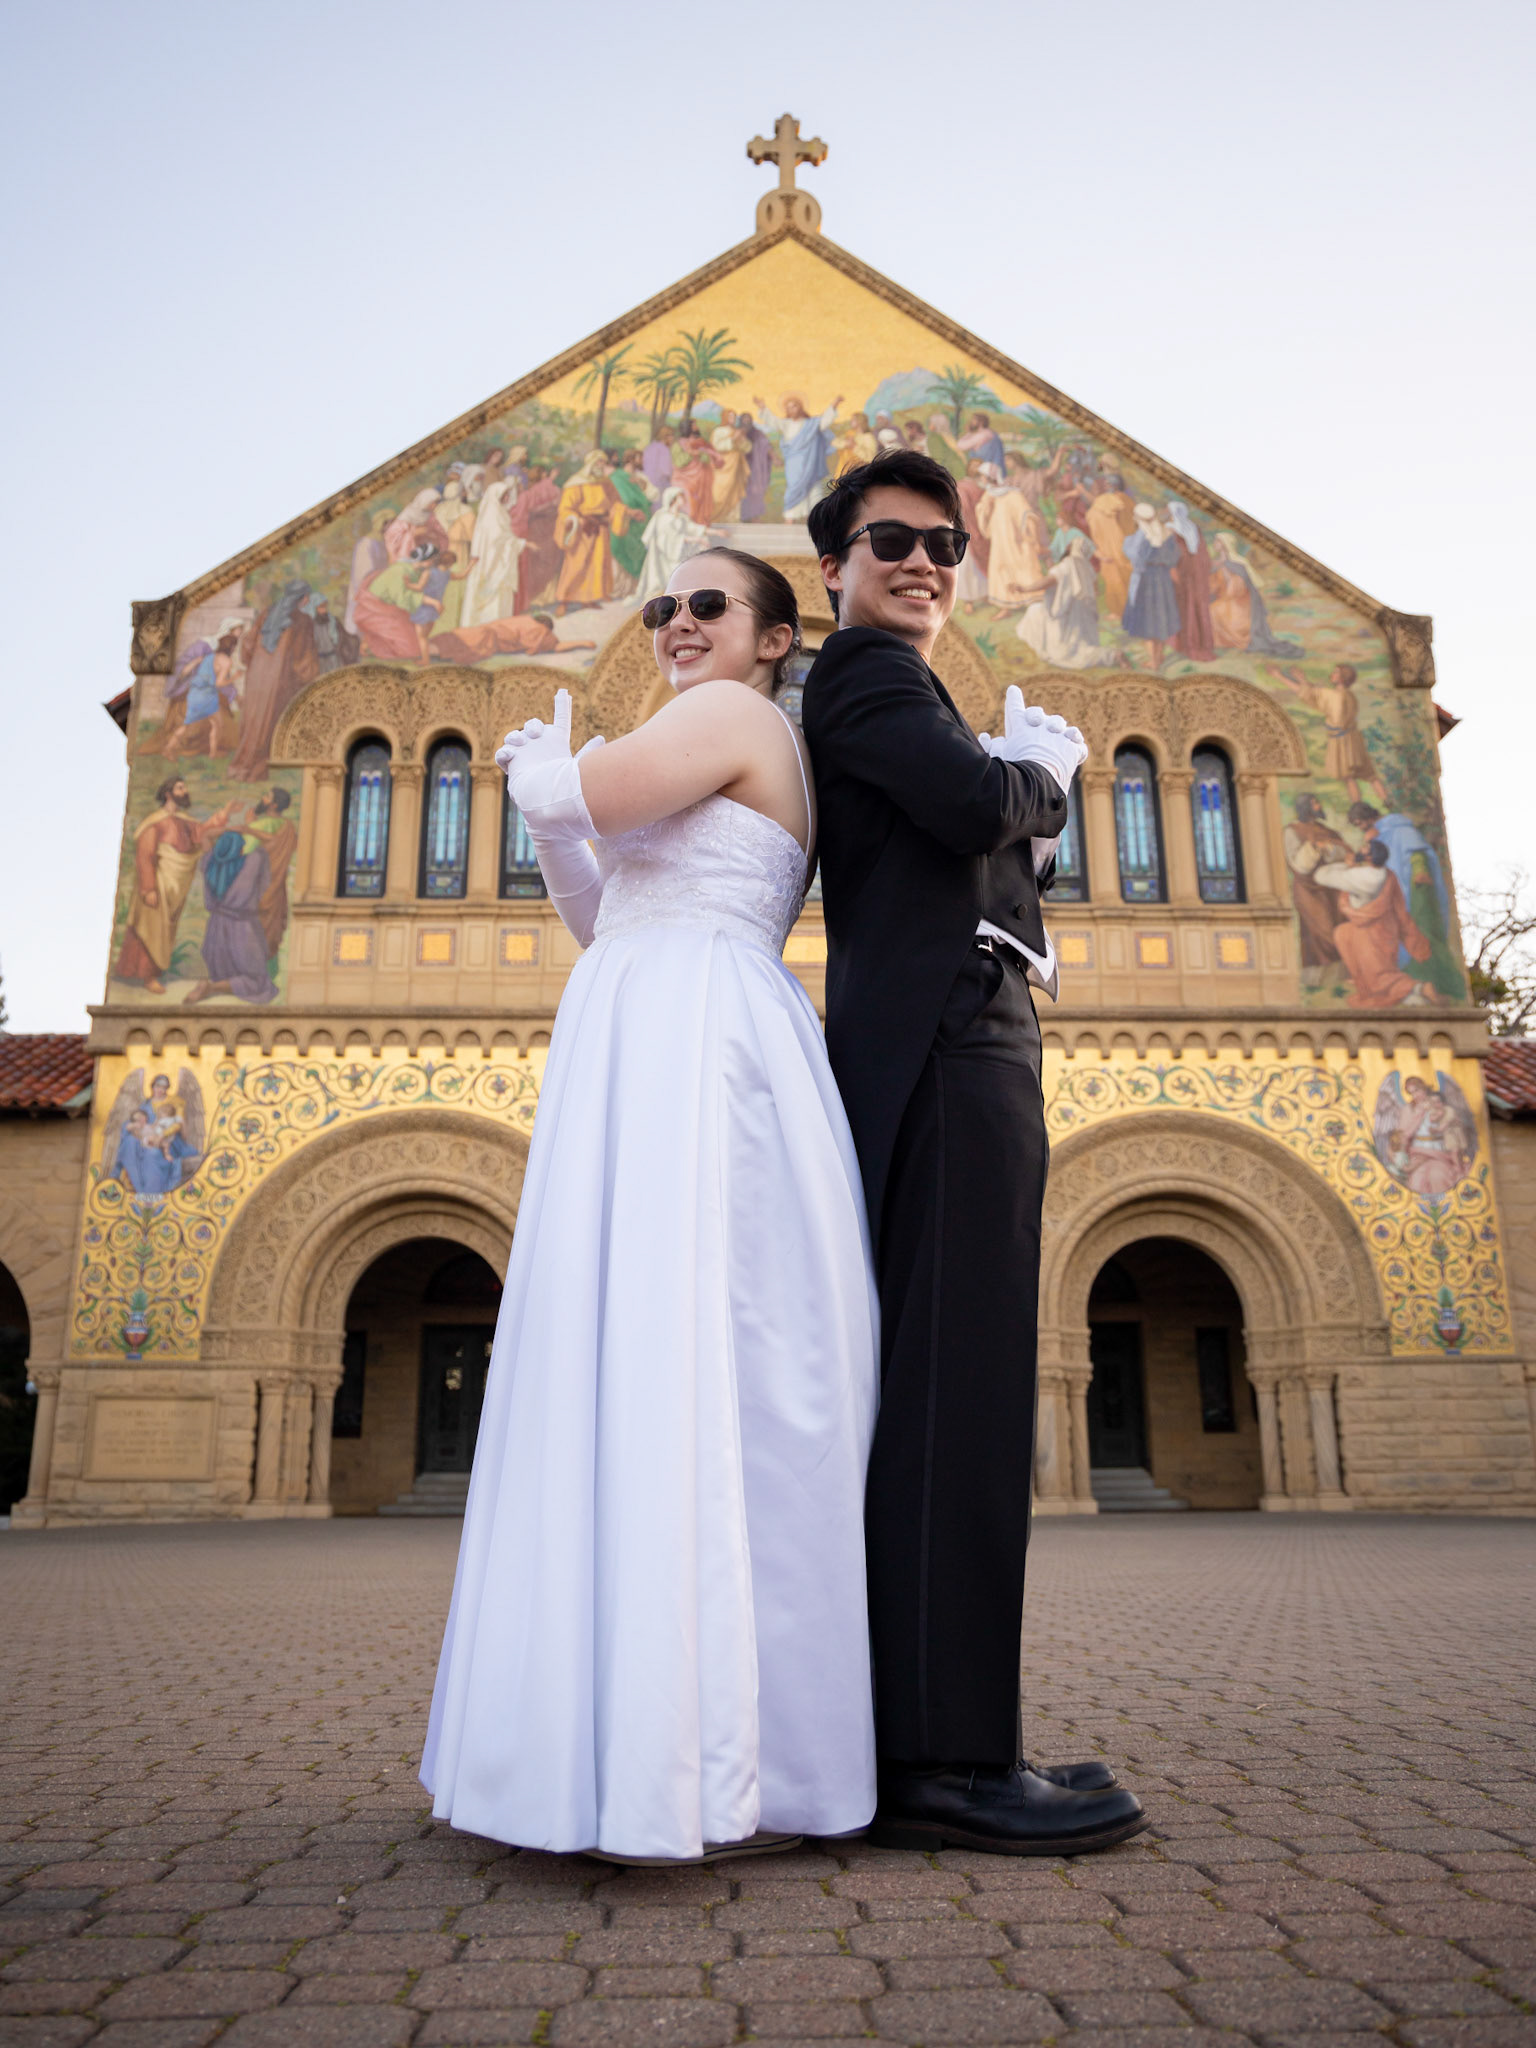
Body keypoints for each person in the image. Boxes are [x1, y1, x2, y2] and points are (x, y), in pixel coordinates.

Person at [423, 549, 879, 1861]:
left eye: (706, 605)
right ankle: (632, 1748)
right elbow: (598, 907)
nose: (676, 623)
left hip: (694, 1030)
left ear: (774, 639)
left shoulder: (732, 715)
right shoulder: (703, 727)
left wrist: (545, 780)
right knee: (647, 1360)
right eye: (661, 608)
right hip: (642, 1007)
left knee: (682, 1357)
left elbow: (593, 796)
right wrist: (554, 812)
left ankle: (701, 1762)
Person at [802, 448, 1146, 1856]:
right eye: (890, 540)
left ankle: (944, 1735)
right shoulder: (865, 674)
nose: (923, 561)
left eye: (945, 543)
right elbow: (970, 806)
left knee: (966, 1384)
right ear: (835, 567)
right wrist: (1042, 777)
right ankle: (944, 1760)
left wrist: (1015, 808)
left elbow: (965, 840)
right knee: (960, 1394)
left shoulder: (902, 688)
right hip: (948, 1046)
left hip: (964, 1033)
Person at [115, 778, 238, 992]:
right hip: (158, 885)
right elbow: (145, 856)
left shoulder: (185, 821)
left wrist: (225, 813)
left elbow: (203, 832)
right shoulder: (154, 823)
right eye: (180, 788)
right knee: (150, 929)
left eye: (184, 787)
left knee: (164, 932)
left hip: (175, 887)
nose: (185, 791)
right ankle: (147, 976)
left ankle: (153, 974)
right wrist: (148, 888)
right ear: (168, 793)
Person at [1312, 842, 1434, 1007]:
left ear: (1370, 856)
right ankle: (1409, 995)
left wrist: (1347, 865)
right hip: (1384, 929)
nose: (1360, 849)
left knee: (1380, 978)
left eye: (1365, 848)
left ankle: (1420, 988)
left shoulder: (1363, 876)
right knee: (1343, 932)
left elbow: (1320, 876)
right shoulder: (1385, 873)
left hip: (1370, 932)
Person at [229, 581, 320, 781]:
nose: (307, 599)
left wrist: (256, 664)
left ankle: (241, 765)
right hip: (280, 678)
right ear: (300, 598)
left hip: (257, 676)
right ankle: (255, 768)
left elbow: (248, 645)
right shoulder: (302, 620)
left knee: (253, 718)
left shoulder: (266, 613)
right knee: (269, 719)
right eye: (306, 596)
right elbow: (302, 656)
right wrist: (310, 675)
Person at [182, 829, 279, 1005]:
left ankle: (213, 985)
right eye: (241, 846)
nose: (242, 850)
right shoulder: (251, 862)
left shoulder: (209, 862)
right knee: (258, 983)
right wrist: (245, 829)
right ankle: (211, 988)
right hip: (243, 931)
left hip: (215, 932)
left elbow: (206, 837)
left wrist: (224, 832)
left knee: (224, 973)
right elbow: (272, 841)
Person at [1283, 792, 1350, 983]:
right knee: (1320, 931)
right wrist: (1314, 847)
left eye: (1318, 802)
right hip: (1308, 890)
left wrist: (1330, 849)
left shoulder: (1326, 830)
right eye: (1314, 803)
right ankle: (1318, 978)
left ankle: (1341, 976)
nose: (1318, 806)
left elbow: (1344, 852)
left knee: (1339, 927)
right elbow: (1297, 863)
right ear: (1305, 807)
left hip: (1332, 889)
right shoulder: (1292, 831)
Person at [1017, 531, 1101, 666]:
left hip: (1064, 617)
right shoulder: (1087, 567)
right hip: (1084, 619)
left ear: (1071, 548)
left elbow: (1049, 581)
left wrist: (1025, 589)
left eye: (1069, 545)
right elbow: (1095, 592)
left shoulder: (1067, 565)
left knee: (1034, 610)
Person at [754, 393, 842, 520]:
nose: (792, 409)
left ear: (800, 407)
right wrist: (762, 407)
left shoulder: (811, 424)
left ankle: (813, 519)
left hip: (810, 463)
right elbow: (773, 421)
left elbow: (824, 421)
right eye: (788, 407)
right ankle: (790, 518)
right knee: (794, 488)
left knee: (813, 490)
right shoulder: (786, 424)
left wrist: (834, 404)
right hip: (793, 464)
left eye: (794, 406)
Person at [1122, 503, 1182, 667]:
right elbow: (1174, 558)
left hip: (1146, 582)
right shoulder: (1166, 534)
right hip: (1163, 582)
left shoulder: (1141, 536)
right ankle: (1158, 656)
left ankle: (1154, 661)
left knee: (1147, 623)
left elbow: (1135, 557)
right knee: (1160, 620)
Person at [636, 484, 712, 601]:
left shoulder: (681, 517)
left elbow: (694, 528)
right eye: (681, 497)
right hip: (666, 557)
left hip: (678, 553)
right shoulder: (664, 517)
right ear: (673, 499)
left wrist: (716, 532)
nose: (684, 499)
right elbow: (670, 539)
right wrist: (696, 539)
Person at [1166, 499, 1214, 662]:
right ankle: (1197, 643)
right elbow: (1203, 555)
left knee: (1185, 606)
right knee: (1194, 605)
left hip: (1181, 572)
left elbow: (1170, 554)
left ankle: (1186, 644)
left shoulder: (1171, 529)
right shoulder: (1194, 528)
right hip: (1196, 572)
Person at [1086, 473, 1137, 617]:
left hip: (1113, 544)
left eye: (1107, 484)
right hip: (1125, 543)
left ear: (1112, 485)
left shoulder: (1109, 501)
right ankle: (1126, 608)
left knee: (1115, 576)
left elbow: (1096, 518)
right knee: (1123, 575)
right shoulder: (1126, 500)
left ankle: (1120, 610)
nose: (1105, 486)